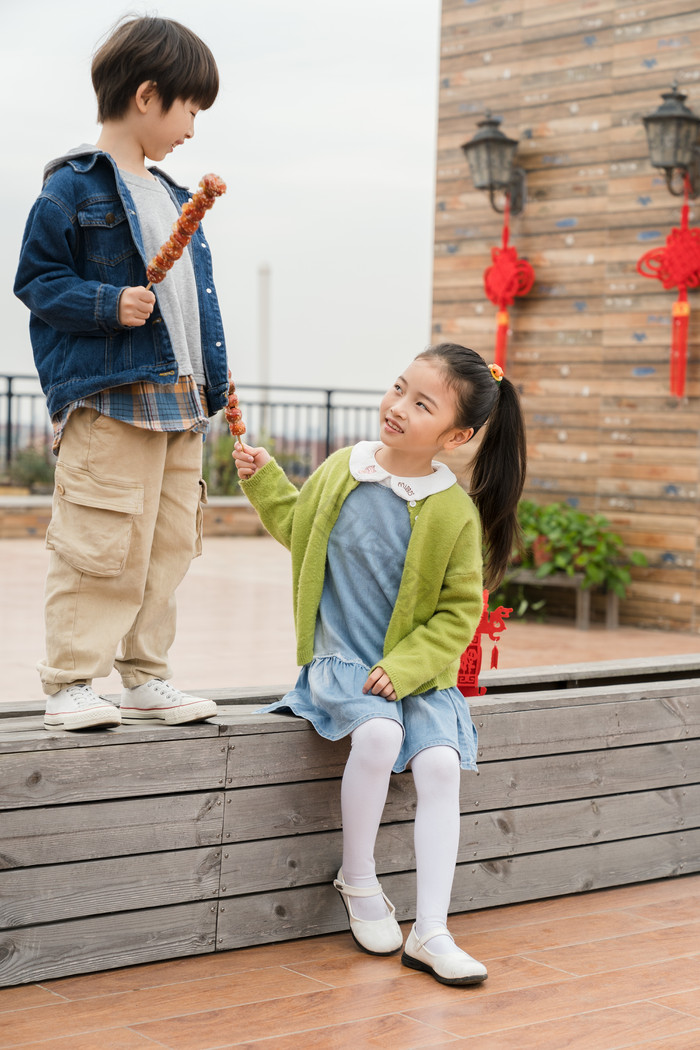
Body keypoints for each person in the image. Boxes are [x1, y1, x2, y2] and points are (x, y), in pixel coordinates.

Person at [232, 343, 527, 986]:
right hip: (343, 665)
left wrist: (409, 667)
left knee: (443, 765)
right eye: (398, 388)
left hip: (412, 678)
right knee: (377, 732)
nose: (397, 407)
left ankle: (432, 930)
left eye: (421, 404)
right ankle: (359, 880)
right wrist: (264, 480)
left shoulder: (453, 510)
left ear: (456, 435)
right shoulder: (345, 469)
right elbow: (298, 528)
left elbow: (457, 613)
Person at [14, 16, 229, 731]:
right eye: (189, 109)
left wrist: (216, 387)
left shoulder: (172, 192)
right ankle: (71, 681)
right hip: (111, 401)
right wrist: (109, 302)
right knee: (101, 543)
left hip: (179, 405)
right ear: (146, 95)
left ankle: (144, 677)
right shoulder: (71, 188)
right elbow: (37, 281)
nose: (193, 129)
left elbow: (191, 309)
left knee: (167, 546)